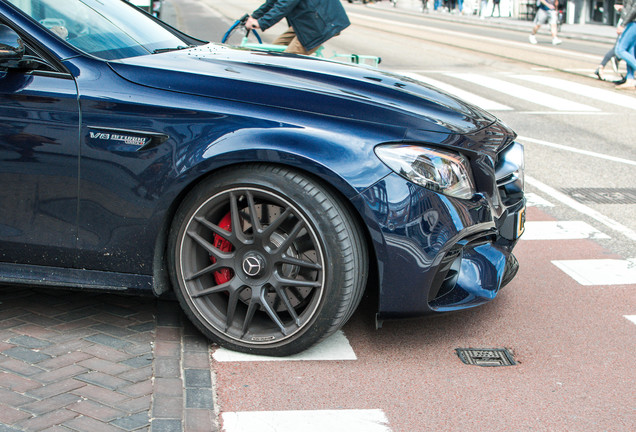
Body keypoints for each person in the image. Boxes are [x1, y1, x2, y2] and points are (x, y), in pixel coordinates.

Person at [245, 0, 350, 56]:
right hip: (307, 21)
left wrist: (261, 23)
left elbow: (284, 4)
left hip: (322, 23)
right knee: (272, 52)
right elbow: (272, 2)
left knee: (288, 59)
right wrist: (254, 16)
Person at [615, 0, 636, 90]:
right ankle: (630, 80)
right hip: (631, 22)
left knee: (620, 50)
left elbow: (634, 9)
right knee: (630, 50)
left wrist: (623, 24)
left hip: (633, 22)